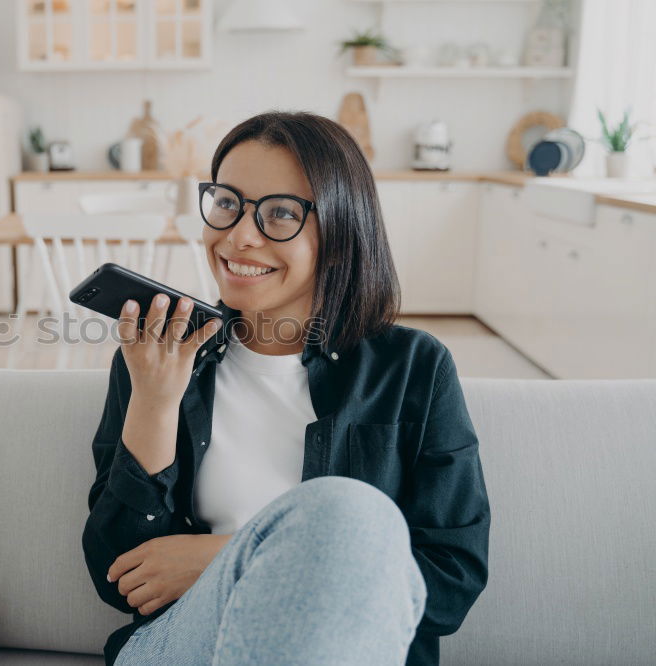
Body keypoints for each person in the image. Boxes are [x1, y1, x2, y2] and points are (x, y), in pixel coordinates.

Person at [81, 110, 490, 665]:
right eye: (227, 203)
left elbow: (452, 578)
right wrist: (154, 402)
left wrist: (230, 558)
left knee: (347, 512)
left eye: (279, 214)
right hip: (187, 645)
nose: (239, 236)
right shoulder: (159, 355)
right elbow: (122, 576)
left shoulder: (414, 368)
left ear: (342, 227)